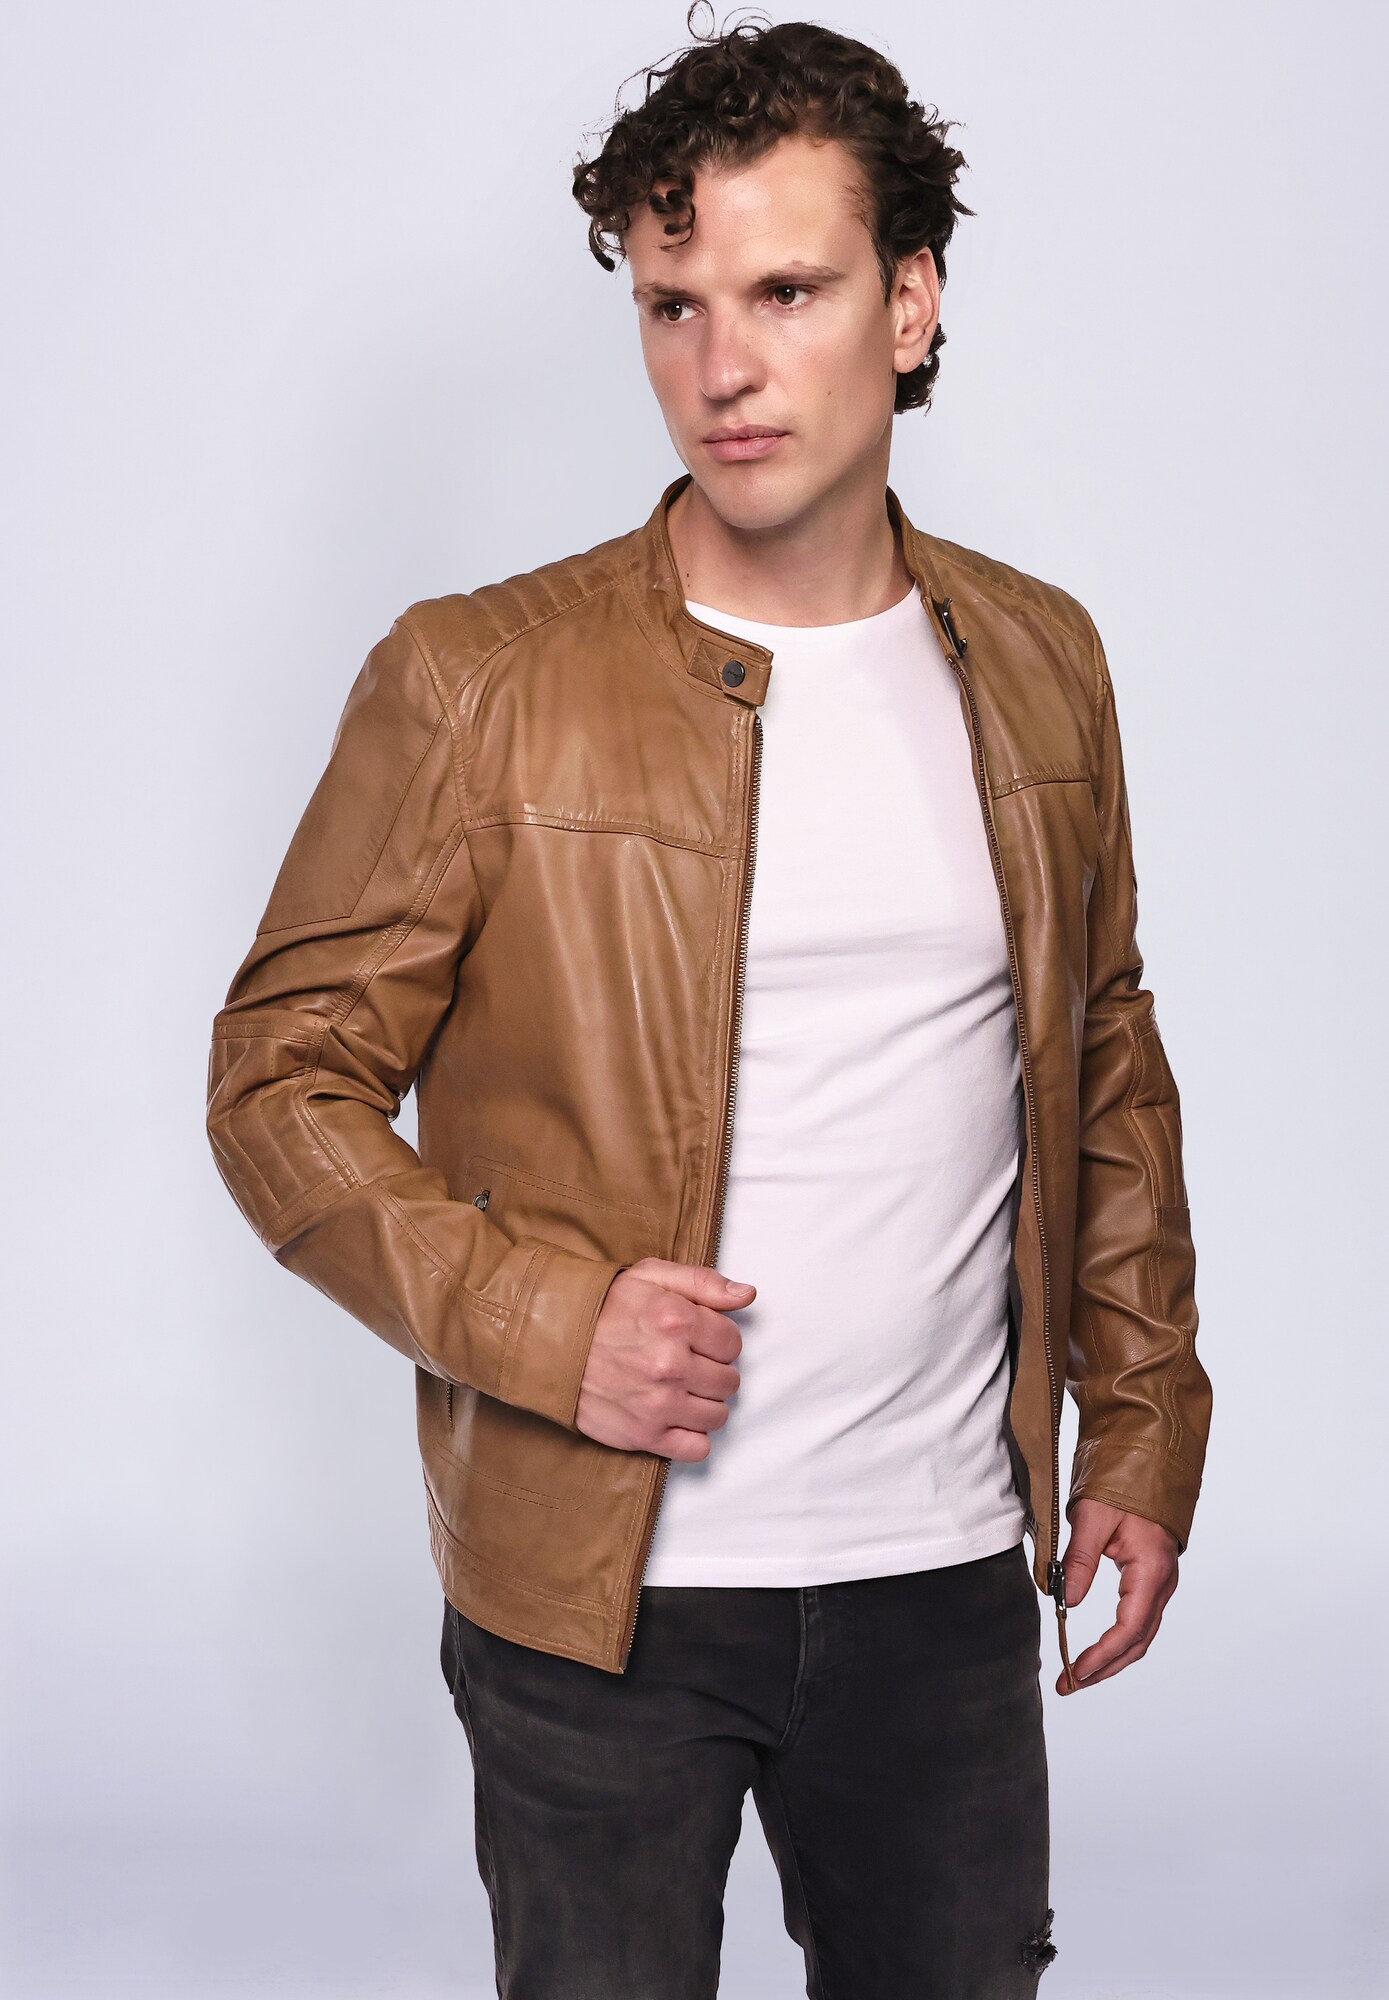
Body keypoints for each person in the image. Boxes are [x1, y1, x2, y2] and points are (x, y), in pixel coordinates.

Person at [205, 14, 1213, 1997]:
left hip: (941, 1577)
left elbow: (1101, 1056)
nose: (718, 366)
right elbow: (279, 1085)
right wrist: (544, 1321)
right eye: (671, 305)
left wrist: (1142, 1422)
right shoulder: (479, 682)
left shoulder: (1037, 663)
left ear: (908, 304)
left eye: (783, 293)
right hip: (603, 1603)